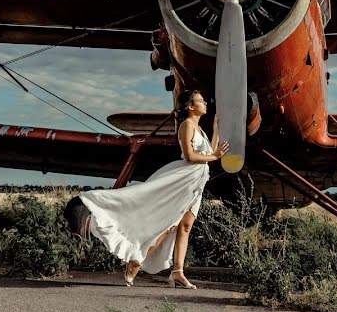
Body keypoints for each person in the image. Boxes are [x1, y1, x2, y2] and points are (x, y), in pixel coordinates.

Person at [78, 90, 230, 289]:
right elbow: (190, 156)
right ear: (190, 106)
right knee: (169, 224)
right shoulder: (186, 126)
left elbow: (209, 151)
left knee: (185, 227)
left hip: (197, 183)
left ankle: (177, 273)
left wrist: (216, 129)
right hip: (183, 181)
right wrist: (216, 156)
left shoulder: (200, 129)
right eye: (201, 100)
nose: (205, 103)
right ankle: (136, 262)